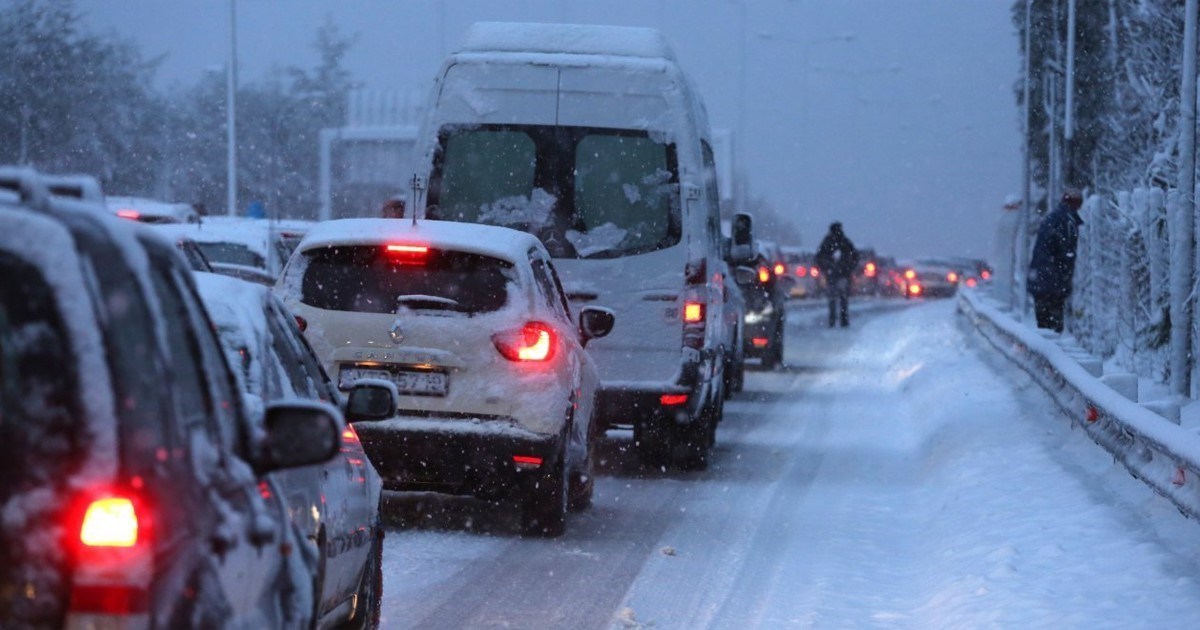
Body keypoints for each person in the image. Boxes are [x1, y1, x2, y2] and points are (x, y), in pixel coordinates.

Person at [1027, 188, 1084, 333]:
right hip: (1052, 282)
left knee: (1044, 325)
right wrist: (1065, 279)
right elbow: (1065, 254)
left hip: (1042, 280)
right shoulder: (1067, 222)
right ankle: (1050, 348)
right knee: (1052, 327)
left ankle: (1044, 349)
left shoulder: (1054, 218)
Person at [815, 221, 859, 328]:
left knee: (832, 299)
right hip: (842, 274)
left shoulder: (828, 242)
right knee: (842, 298)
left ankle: (833, 320)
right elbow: (855, 257)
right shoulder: (845, 241)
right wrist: (848, 268)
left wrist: (826, 268)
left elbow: (819, 258)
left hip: (833, 275)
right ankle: (843, 320)